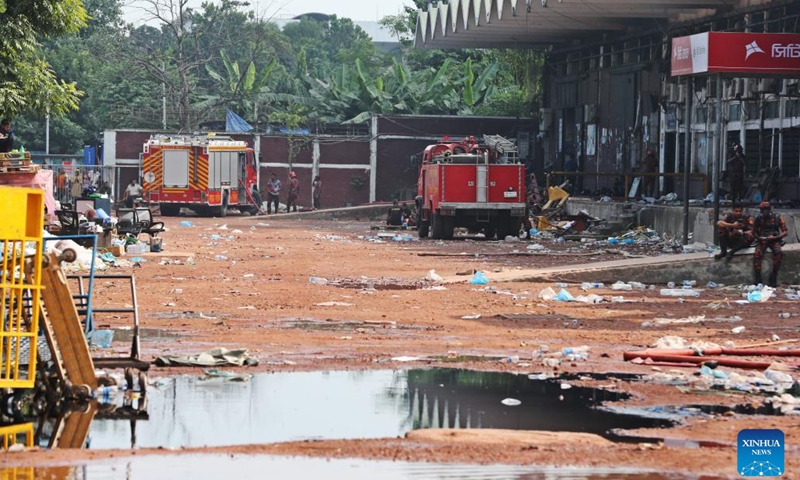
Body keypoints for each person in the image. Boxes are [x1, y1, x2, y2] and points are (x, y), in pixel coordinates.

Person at [752, 201, 788, 287]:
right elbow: (754, 231)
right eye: (763, 209)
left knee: (779, 253)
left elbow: (785, 231)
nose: (765, 211)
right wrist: (759, 238)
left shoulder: (777, 217)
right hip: (763, 239)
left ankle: (773, 276)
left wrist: (776, 237)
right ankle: (758, 277)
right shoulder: (758, 218)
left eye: (766, 209)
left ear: (769, 209)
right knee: (757, 254)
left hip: (774, 239)